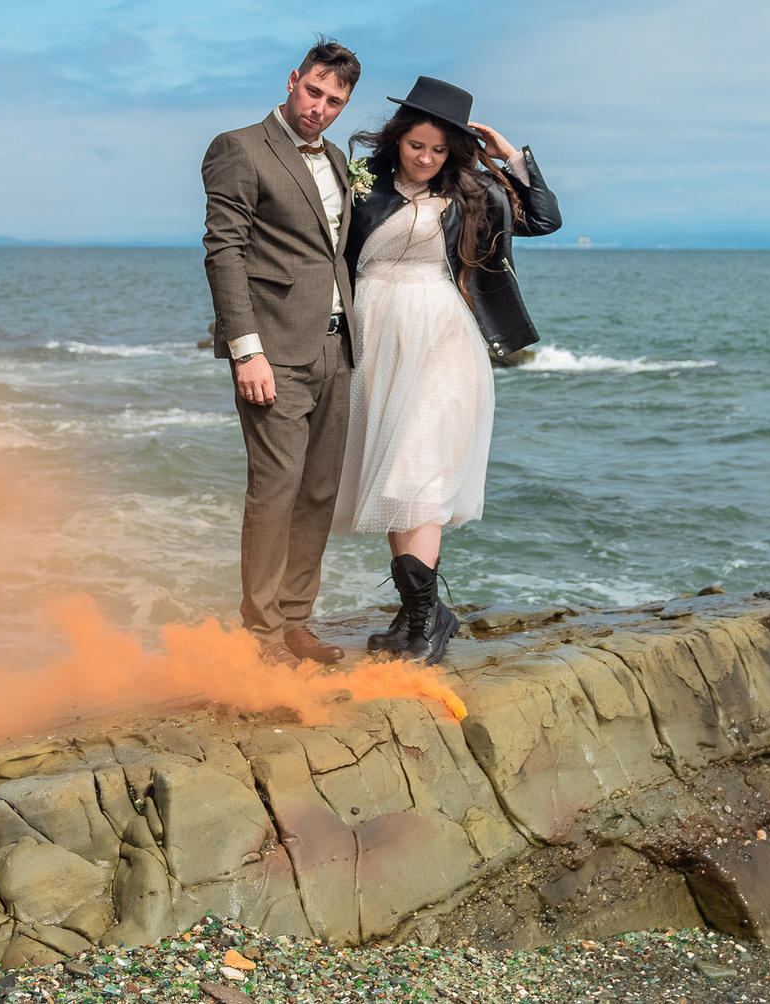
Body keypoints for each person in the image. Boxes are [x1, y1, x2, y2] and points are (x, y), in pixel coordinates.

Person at [338, 76, 563, 664]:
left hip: (442, 342)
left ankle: (424, 624)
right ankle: (424, 616)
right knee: (392, 476)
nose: (427, 159)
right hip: (375, 345)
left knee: (416, 475)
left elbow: (544, 219)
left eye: (440, 150)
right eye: (417, 146)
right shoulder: (362, 188)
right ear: (397, 139)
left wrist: (510, 158)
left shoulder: (474, 193)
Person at [201, 40, 364, 665]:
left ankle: (296, 620)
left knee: (319, 491)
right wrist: (247, 352)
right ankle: (261, 634)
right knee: (275, 488)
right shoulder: (239, 148)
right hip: (273, 353)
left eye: (335, 102)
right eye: (313, 92)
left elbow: (330, 254)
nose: (320, 108)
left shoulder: (341, 167)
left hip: (334, 347)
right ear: (292, 80)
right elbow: (225, 252)